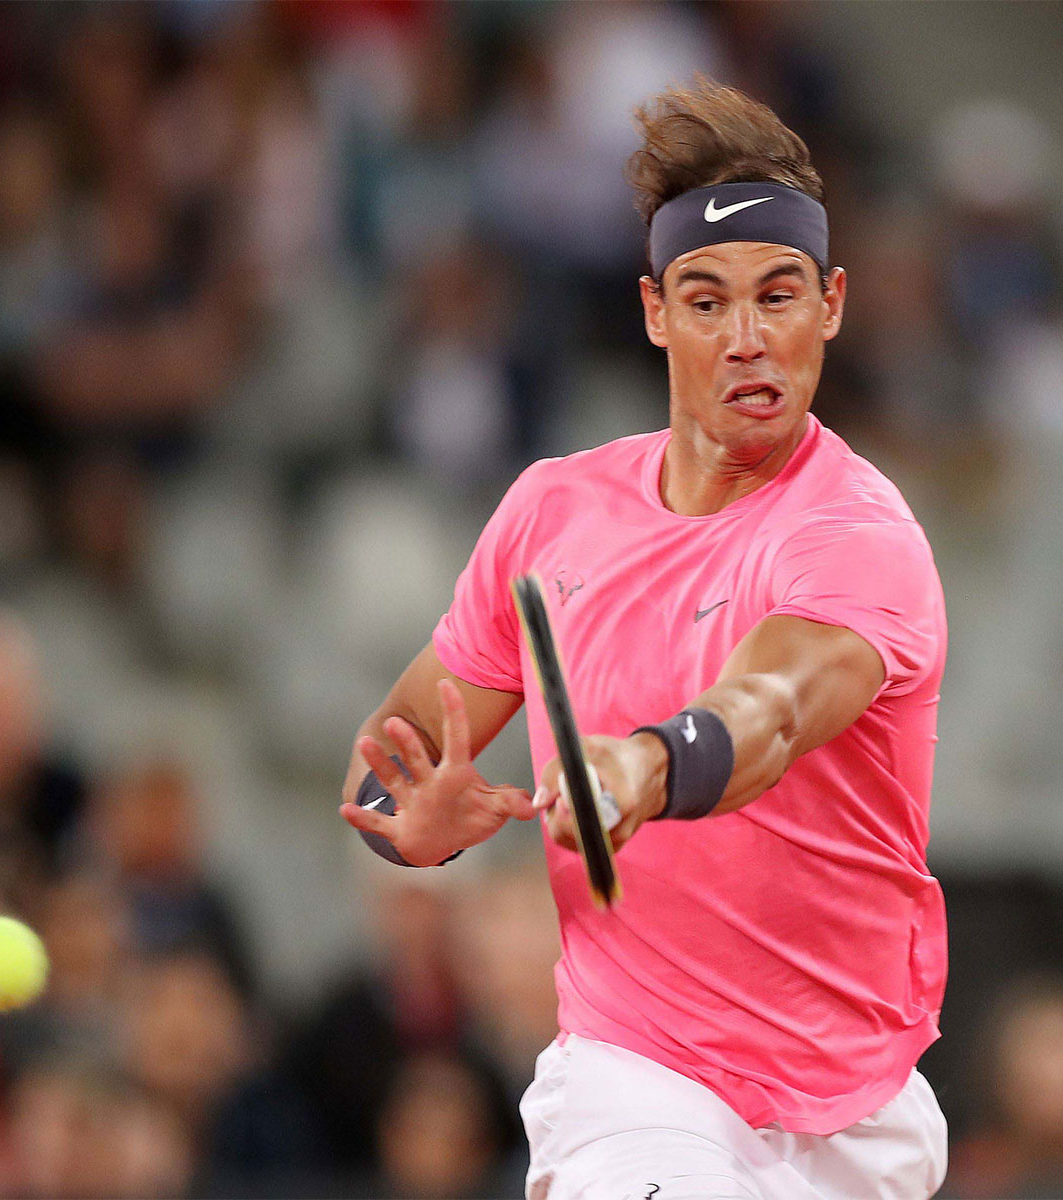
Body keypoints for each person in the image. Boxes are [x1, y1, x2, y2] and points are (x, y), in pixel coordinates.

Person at [339, 78, 949, 1199]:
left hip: (857, 1108)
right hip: (637, 1080)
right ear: (656, 311)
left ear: (833, 303)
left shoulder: (859, 536)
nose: (748, 338)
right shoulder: (549, 512)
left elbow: (767, 709)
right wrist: (407, 826)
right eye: (706, 301)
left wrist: (648, 765)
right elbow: (391, 771)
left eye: (778, 295)